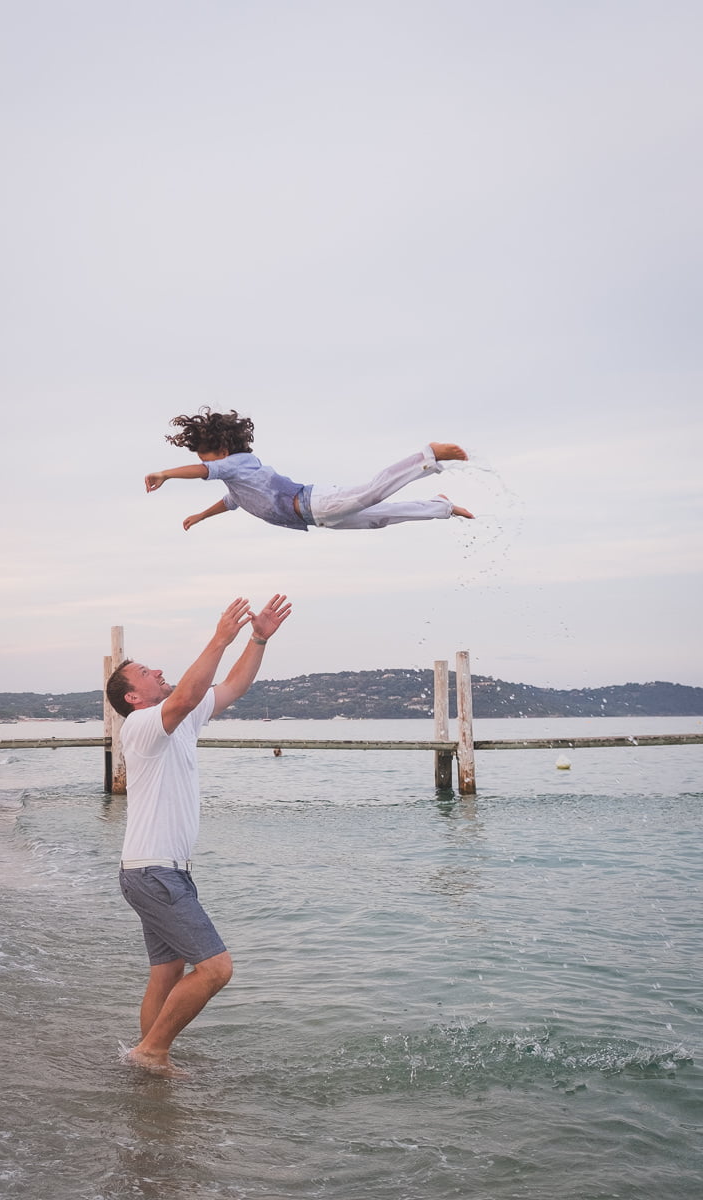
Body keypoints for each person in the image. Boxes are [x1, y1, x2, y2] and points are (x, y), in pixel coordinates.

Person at [105, 593, 292, 1076]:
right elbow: (187, 693)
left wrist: (255, 639)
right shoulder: (145, 725)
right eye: (147, 673)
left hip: (160, 871)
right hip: (153, 871)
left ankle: (146, 1057)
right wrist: (219, 637)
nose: (158, 672)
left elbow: (232, 686)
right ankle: (152, 1052)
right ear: (134, 697)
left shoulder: (180, 721)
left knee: (165, 975)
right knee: (216, 968)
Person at [144, 407, 474, 532]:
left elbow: (202, 472)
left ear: (223, 452)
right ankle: (440, 506)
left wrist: (165, 474)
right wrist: (201, 516)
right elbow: (231, 502)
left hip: (314, 502)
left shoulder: (237, 464)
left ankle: (428, 455)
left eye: (207, 458)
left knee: (372, 493)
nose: (205, 465)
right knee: (379, 518)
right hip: (318, 518)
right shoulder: (238, 482)